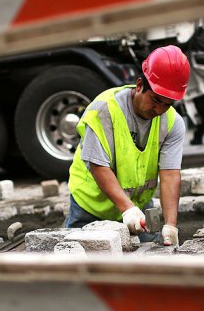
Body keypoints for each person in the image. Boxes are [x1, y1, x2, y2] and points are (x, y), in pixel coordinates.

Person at [65, 45, 189, 246]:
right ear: (139, 85)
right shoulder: (104, 110)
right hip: (91, 209)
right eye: (156, 100)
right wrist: (128, 210)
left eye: (168, 104)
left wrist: (170, 225)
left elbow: (170, 175)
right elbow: (99, 167)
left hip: (138, 210)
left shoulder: (173, 123)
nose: (159, 109)